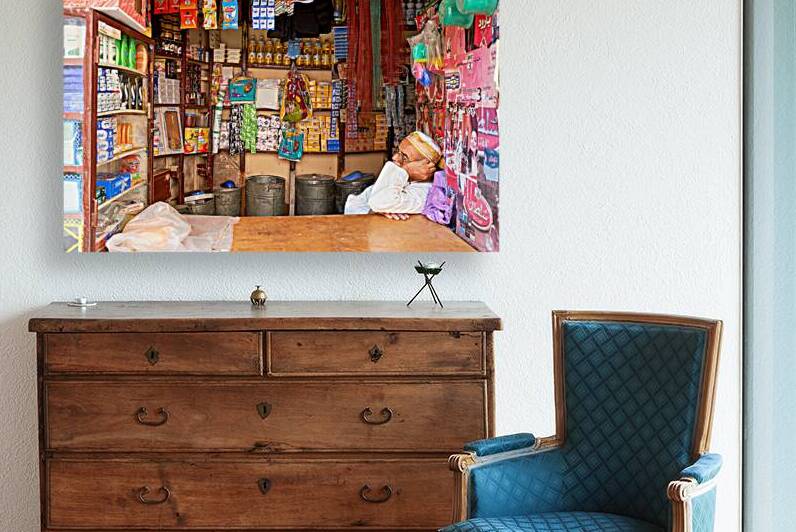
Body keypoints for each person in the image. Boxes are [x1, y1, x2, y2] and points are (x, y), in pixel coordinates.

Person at [344, 131, 442, 221]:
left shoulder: (425, 193)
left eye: (404, 157)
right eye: (397, 151)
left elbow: (378, 201)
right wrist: (374, 211)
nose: (394, 157)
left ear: (426, 167)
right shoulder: (403, 179)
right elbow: (355, 204)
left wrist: (406, 170)